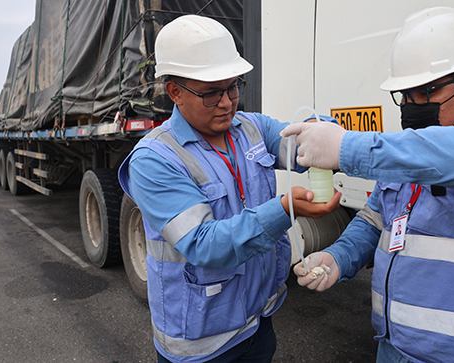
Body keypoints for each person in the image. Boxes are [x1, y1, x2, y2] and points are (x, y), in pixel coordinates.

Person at [281, 6, 454, 363]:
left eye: (426, 92)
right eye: (406, 95)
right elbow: (375, 221)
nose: (412, 107)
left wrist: (348, 147)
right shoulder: (409, 152)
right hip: (393, 349)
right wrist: (338, 258)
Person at [118, 15, 340, 363]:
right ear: (174, 92)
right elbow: (203, 245)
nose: (226, 102)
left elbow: (303, 147)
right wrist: (283, 210)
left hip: (257, 322)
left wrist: (322, 130)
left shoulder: (250, 128)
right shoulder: (155, 159)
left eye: (233, 86)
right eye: (210, 93)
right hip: (202, 343)